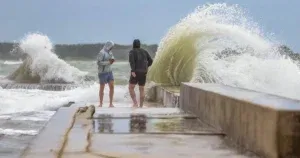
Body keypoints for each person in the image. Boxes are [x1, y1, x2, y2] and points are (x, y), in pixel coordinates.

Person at [128, 39, 153, 108]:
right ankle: (141, 106)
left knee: (131, 87)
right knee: (141, 89)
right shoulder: (145, 51)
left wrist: (133, 71)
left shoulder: (132, 52)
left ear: (133, 44)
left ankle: (135, 103)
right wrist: (146, 67)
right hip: (144, 72)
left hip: (135, 72)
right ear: (139, 44)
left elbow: (132, 62)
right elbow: (150, 61)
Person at [97, 41, 115, 107]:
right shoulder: (101, 53)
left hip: (110, 72)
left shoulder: (110, 52)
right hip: (102, 73)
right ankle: (101, 103)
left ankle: (111, 103)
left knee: (112, 87)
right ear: (109, 45)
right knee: (102, 88)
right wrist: (108, 62)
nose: (112, 48)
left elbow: (112, 58)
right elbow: (99, 63)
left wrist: (112, 60)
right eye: (112, 46)